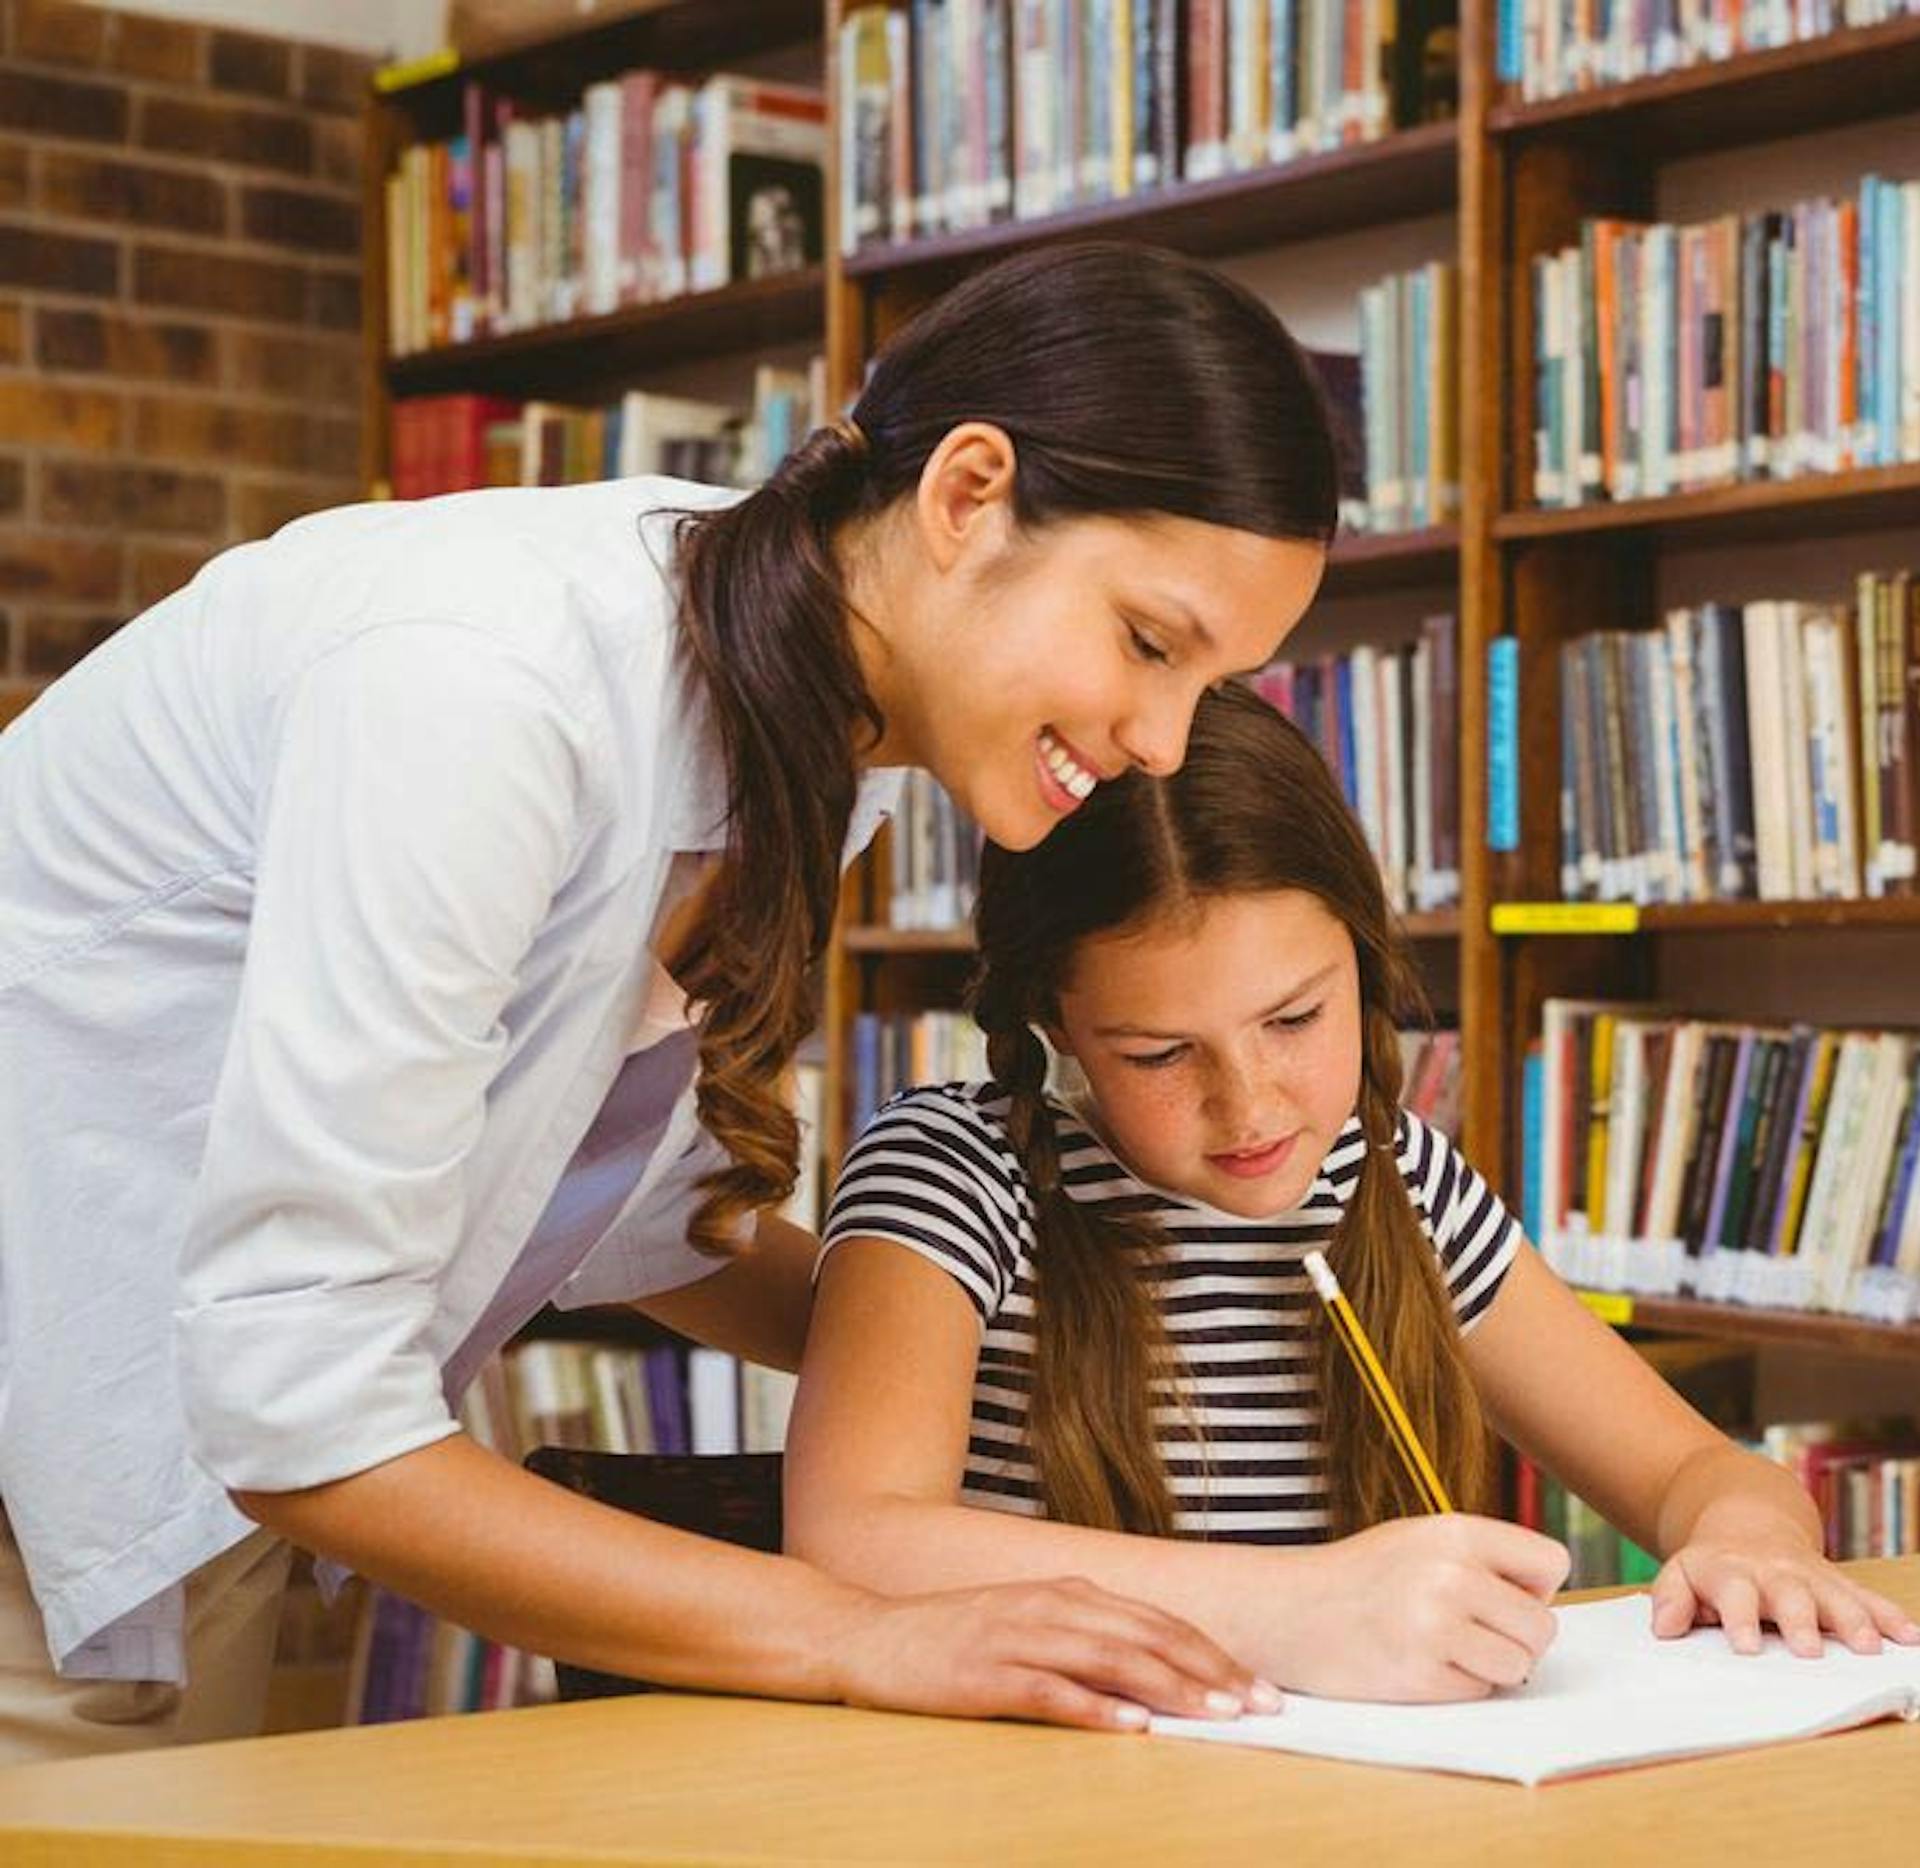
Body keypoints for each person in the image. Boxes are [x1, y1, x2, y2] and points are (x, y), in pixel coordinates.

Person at [0, 240, 1341, 1761]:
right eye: (1149, 643)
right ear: (968, 496)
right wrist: (866, 1631)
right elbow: (298, 1401)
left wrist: (1033, 1350)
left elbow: (614, 1219)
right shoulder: (484, 695)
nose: (1165, 742)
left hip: (156, 1467)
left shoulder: (805, 720)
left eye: (1212, 685)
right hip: (45, 1424)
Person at [790, 683, 1920, 1703]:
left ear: (1366, 964)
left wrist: (1748, 1537)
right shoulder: (955, 1173)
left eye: (1294, 1020)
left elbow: (1696, 1468)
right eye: (1157, 1055)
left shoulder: (1402, 1182)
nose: (1250, 1107)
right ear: (1055, 1025)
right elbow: (852, 1538)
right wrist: (1292, 1605)